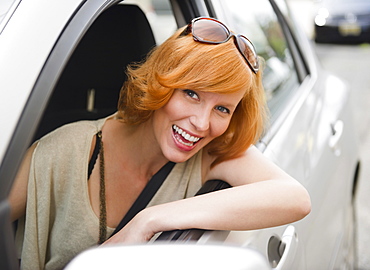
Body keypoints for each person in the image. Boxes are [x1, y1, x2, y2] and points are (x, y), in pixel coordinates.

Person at [9, 17, 311, 269]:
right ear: (162, 82)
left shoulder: (211, 154)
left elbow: (295, 198)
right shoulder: (62, 151)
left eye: (222, 109)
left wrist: (149, 220)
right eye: (191, 94)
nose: (202, 124)